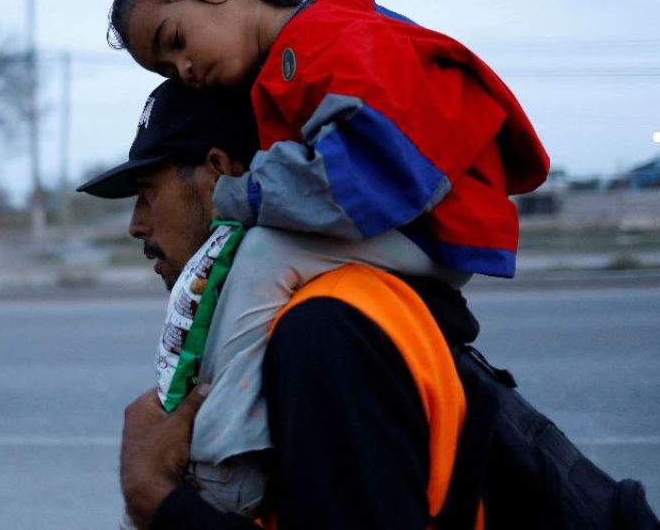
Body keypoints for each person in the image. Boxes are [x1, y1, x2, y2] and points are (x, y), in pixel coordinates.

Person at [78, 80, 483, 529]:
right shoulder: (270, 319)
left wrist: (156, 498)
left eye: (148, 191)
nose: (136, 225)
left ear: (217, 174)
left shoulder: (324, 331)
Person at [107, 0, 550, 280]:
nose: (183, 69)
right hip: (403, 222)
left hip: (424, 226)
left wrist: (237, 195)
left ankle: (228, 377)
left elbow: (358, 176)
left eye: (176, 40)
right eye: (167, 70)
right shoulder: (292, 60)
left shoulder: (333, 39)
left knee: (261, 257)